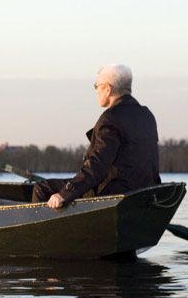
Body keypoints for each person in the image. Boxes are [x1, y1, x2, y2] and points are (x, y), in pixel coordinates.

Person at [32, 63, 160, 209]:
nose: (96, 91)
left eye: (96, 86)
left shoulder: (111, 118)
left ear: (107, 89)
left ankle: (41, 232)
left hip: (115, 194)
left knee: (41, 188)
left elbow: (96, 166)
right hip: (144, 192)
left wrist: (64, 194)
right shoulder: (147, 115)